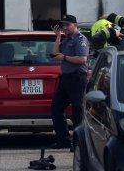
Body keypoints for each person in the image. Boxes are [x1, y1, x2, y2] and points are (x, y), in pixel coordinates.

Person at [50, 14, 89, 150]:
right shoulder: (66, 39)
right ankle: (64, 140)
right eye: (63, 25)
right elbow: (55, 54)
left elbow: (82, 59)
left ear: (75, 25)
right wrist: (58, 36)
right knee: (56, 107)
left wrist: (64, 57)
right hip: (66, 78)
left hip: (77, 78)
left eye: (67, 25)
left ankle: (78, 143)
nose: (65, 28)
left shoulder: (80, 40)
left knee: (77, 111)